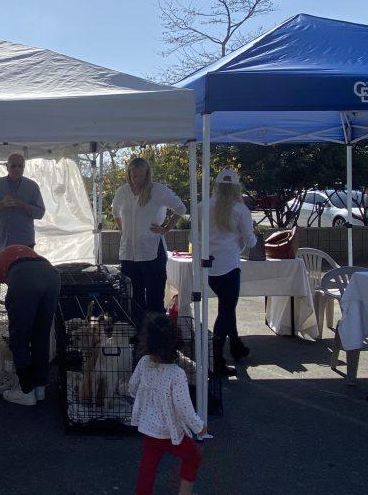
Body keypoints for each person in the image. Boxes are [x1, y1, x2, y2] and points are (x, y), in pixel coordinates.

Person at [0, 245, 61, 406]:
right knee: (41, 335)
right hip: (51, 275)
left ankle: (25, 391)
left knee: (19, 338)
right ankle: (40, 388)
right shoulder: (18, 251)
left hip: (24, 278)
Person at [129, 315, 206, 495]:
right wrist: (199, 428)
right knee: (193, 457)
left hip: (148, 428)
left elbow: (133, 388)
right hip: (171, 431)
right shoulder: (176, 374)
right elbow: (184, 408)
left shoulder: (143, 363)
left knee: (147, 469)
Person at [194, 169, 256, 376]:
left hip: (208, 267)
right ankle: (217, 359)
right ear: (236, 187)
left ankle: (236, 345)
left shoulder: (203, 206)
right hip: (230, 265)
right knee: (226, 311)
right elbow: (251, 240)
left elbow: (195, 238)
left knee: (227, 309)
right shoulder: (240, 209)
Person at [113, 157, 187, 320]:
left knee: (154, 298)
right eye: (133, 176)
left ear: (147, 174)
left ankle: (157, 338)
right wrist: (122, 229)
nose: (136, 180)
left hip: (152, 251)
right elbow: (115, 211)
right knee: (134, 298)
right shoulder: (122, 192)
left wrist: (166, 228)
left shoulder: (157, 190)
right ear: (128, 174)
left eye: (140, 176)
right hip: (129, 253)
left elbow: (180, 208)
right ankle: (138, 336)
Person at [0, 153, 46, 253]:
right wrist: (2, 204)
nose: (17, 169)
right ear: (7, 167)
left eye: (20, 166)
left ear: (24, 167)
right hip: (1, 243)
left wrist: (22, 205)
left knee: (23, 269)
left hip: (25, 243)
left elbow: (40, 213)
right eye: (13, 166)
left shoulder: (32, 186)